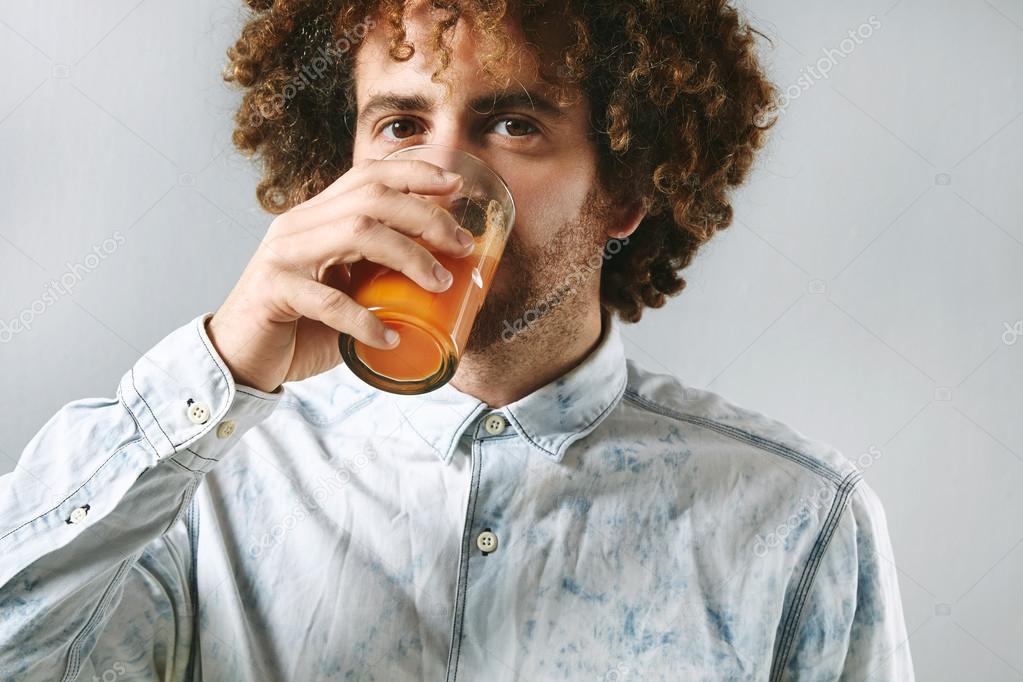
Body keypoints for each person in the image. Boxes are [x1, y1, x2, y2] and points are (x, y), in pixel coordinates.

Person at [0, 0, 914, 680]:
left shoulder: (796, 518)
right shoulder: (200, 486)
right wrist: (219, 370)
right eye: (399, 126)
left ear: (627, 188)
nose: (439, 176)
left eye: (513, 125)